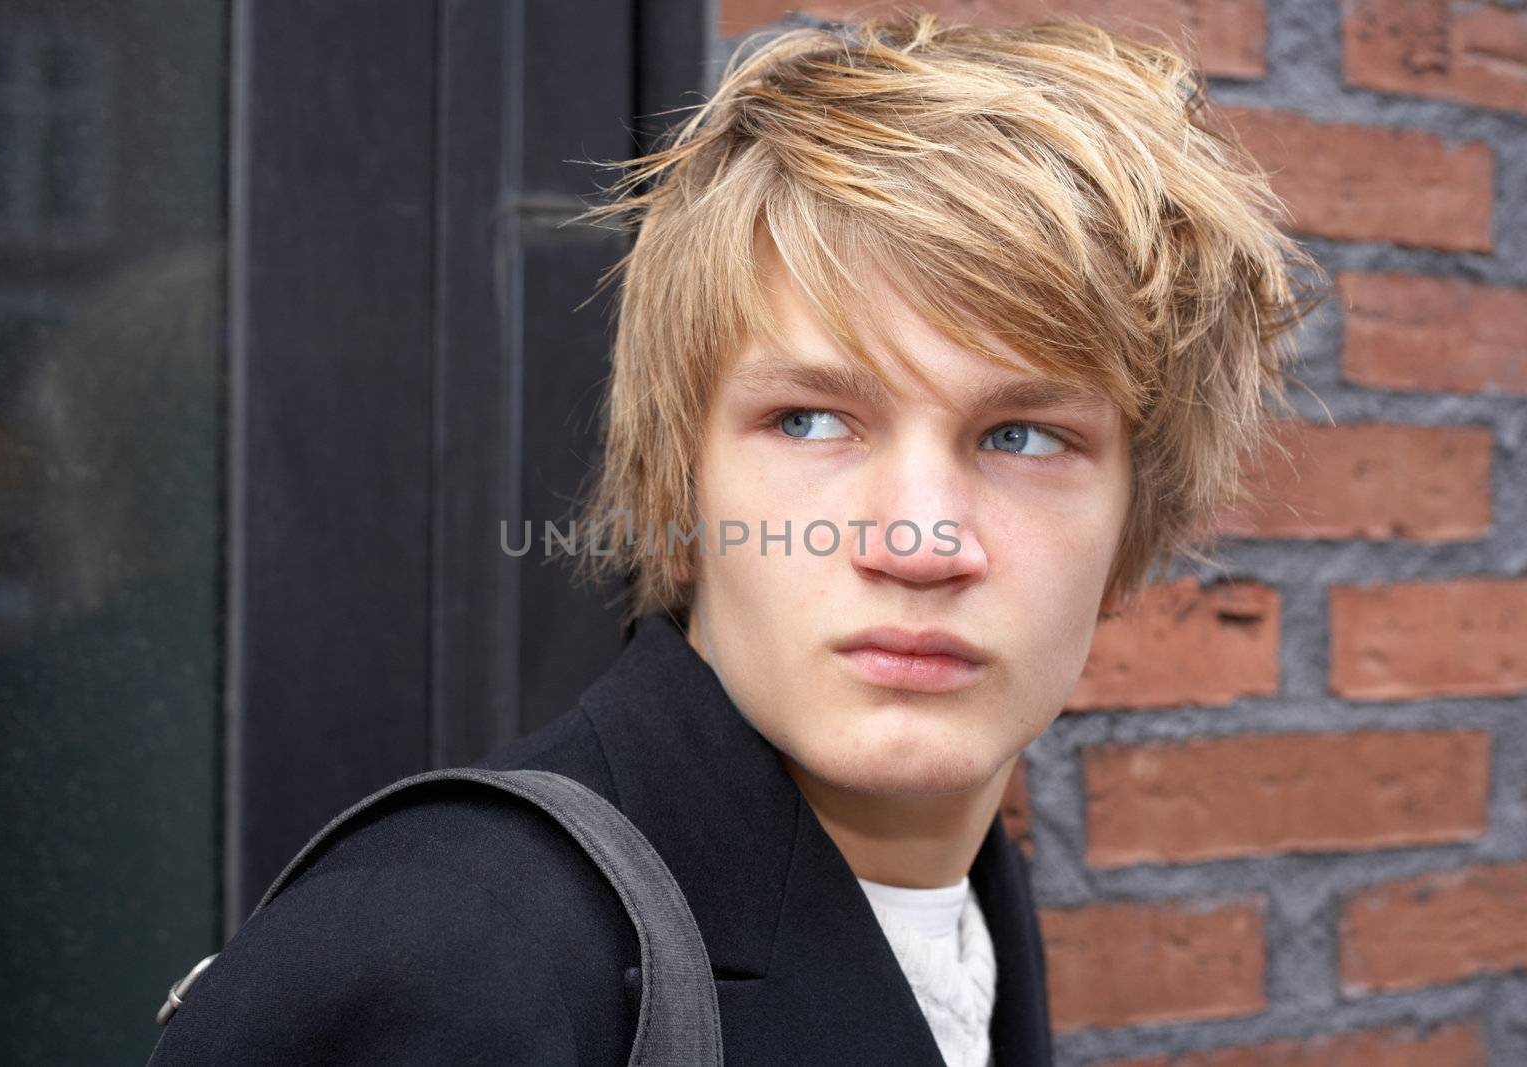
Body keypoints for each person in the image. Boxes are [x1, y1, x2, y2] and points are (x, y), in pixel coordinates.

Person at [146, 12, 1323, 1066]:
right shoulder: (456, 956)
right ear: (683, 484)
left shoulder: (964, 898)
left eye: (1021, 435)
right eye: (810, 420)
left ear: (1133, 520)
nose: (918, 539)